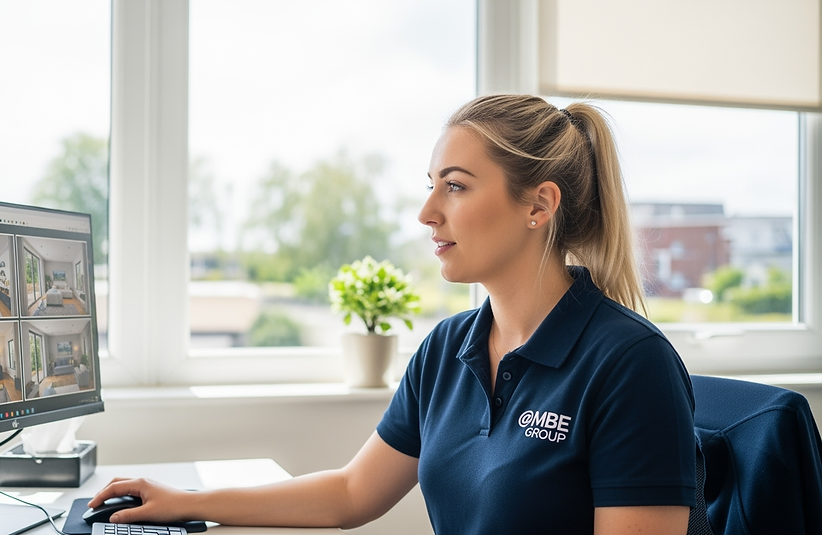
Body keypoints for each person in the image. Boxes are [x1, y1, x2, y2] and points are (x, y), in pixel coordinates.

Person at [89, 94, 697, 534]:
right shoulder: (449, 347)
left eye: (455, 186)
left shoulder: (629, 364)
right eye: (431, 184)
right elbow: (352, 493)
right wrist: (189, 502)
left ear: (538, 204)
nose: (426, 211)